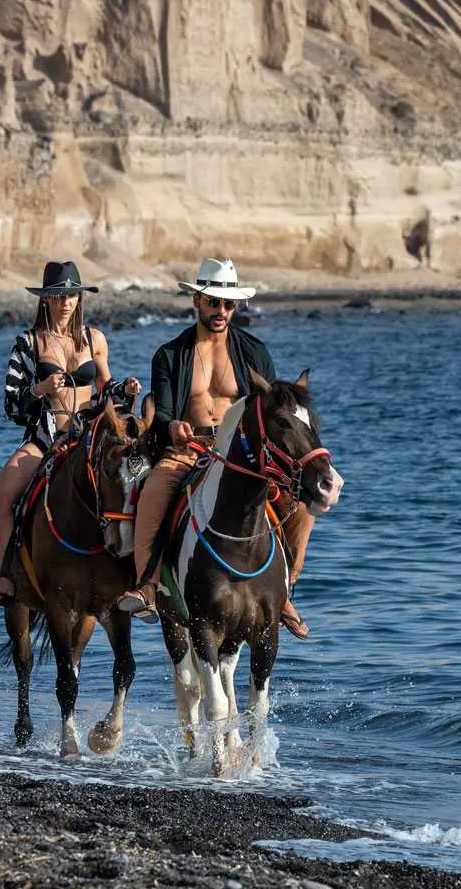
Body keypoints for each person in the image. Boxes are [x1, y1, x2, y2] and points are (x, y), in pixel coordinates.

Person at [117, 258, 317, 639]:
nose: (221, 311)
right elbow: (163, 414)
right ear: (197, 302)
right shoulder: (169, 355)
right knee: (153, 494)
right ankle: (147, 585)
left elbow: (271, 408)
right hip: (188, 449)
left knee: (303, 509)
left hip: (241, 454)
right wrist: (172, 426)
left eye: (228, 304)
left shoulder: (254, 351)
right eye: (213, 302)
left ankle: (285, 590)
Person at [0, 260, 140, 609]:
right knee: (0, 498)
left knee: (136, 479)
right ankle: (5, 577)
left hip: (87, 436)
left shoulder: (94, 339)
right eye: (59, 295)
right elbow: (12, 406)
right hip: (45, 437)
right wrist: (40, 388)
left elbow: (105, 389)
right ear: (46, 300)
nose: (67, 302)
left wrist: (125, 390)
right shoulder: (29, 343)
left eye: (73, 295)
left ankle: (142, 577)